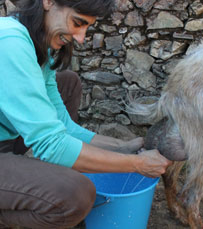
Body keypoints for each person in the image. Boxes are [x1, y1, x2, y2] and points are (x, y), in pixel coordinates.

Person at [0, 0, 171, 228]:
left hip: (7, 138)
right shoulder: (10, 43)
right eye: (77, 22)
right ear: (48, 2)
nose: (81, 37)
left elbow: (63, 126)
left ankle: (38, 177)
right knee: (76, 195)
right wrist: (136, 163)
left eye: (87, 27)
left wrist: (123, 147)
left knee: (68, 83)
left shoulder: (41, 48)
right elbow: (53, 144)